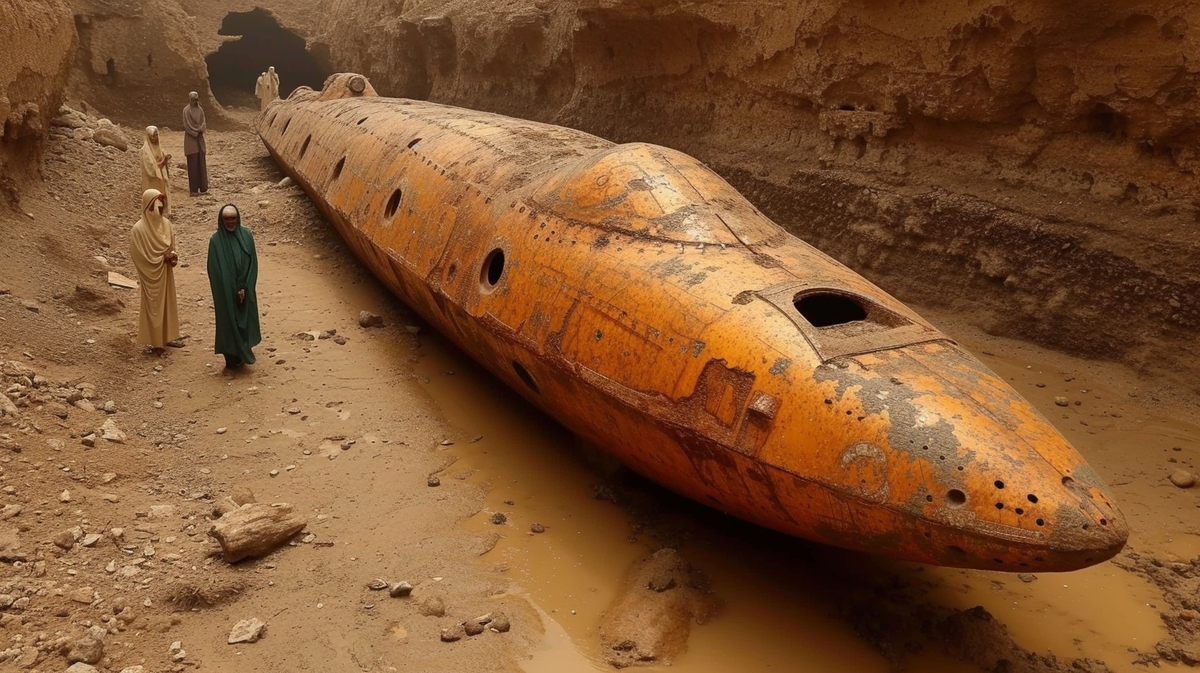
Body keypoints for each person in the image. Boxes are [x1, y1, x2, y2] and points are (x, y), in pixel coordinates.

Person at [207, 204, 261, 370]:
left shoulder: (246, 235)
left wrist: (245, 286)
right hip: (226, 291)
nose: (230, 222)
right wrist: (230, 288)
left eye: (233, 218)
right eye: (226, 219)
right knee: (228, 321)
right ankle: (231, 360)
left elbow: (253, 263)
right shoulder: (216, 241)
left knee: (246, 319)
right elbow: (214, 269)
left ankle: (244, 353)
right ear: (221, 220)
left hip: (246, 287)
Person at [130, 189, 180, 354]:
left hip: (165, 271)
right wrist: (159, 260)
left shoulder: (166, 224)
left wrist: (172, 257)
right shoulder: (139, 229)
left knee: (168, 303)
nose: (158, 211)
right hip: (151, 275)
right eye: (154, 207)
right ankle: (156, 343)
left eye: (160, 207)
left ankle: (168, 337)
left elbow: (171, 246)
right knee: (154, 306)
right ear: (147, 207)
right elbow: (138, 256)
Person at [138, 126, 172, 216]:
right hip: (151, 181)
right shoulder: (144, 151)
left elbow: (162, 156)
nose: (155, 138)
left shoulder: (159, 146)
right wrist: (162, 162)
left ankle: (163, 213)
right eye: (153, 136)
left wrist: (165, 158)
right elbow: (150, 168)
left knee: (161, 196)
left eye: (156, 135)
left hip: (160, 179)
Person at [183, 91, 208, 196]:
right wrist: (195, 131)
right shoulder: (186, 110)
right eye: (194, 99)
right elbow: (187, 124)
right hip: (191, 140)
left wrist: (201, 129)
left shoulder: (200, 109)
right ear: (190, 99)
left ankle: (203, 188)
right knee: (193, 165)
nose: (196, 101)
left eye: (197, 99)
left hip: (200, 139)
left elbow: (203, 121)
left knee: (201, 164)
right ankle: (193, 190)